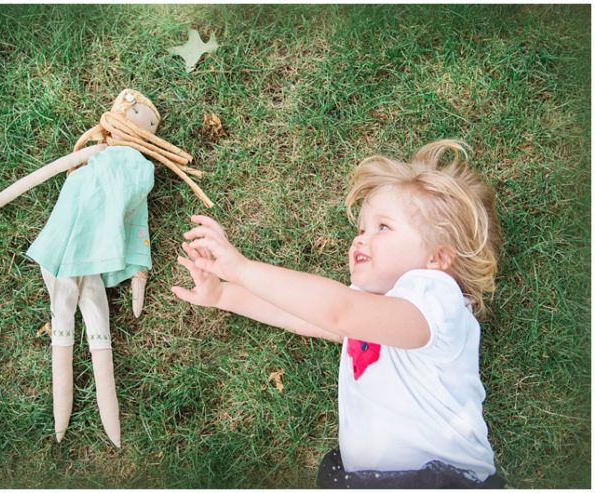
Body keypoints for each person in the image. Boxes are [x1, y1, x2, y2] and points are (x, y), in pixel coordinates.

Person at [172, 140, 505, 488]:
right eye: (361, 229)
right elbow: (305, 315)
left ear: (437, 258)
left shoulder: (436, 300)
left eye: (383, 227)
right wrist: (223, 294)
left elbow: (336, 311)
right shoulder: (378, 313)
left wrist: (241, 269)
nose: (359, 240)